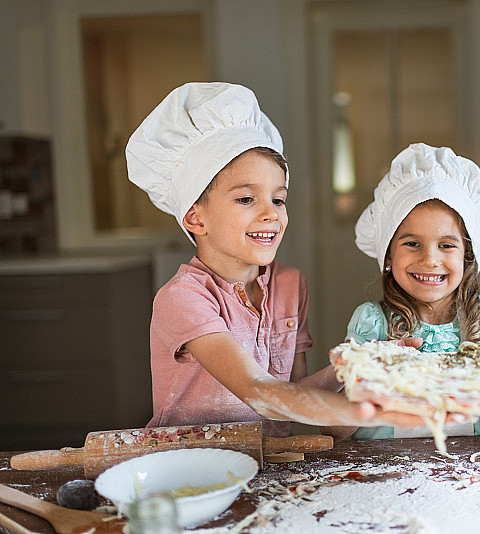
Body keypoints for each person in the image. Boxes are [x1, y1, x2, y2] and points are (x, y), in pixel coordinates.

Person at [126, 82, 422, 437]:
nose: (271, 214)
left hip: (268, 467)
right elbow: (257, 391)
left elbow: (293, 397)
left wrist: (359, 365)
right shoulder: (183, 299)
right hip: (191, 469)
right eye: (246, 199)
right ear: (195, 219)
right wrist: (366, 411)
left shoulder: (289, 284)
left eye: (278, 199)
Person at [345, 143, 480, 439]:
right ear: (388, 255)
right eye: (412, 243)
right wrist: (368, 376)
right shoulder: (371, 323)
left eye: (446, 245)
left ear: (467, 255)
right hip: (384, 473)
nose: (430, 259)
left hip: (470, 475)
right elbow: (335, 428)